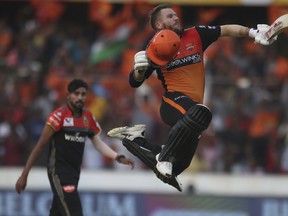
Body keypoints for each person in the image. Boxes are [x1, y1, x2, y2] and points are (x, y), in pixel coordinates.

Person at [107, 3, 277, 191]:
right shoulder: (156, 47)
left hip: (192, 114)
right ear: (159, 25)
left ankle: (134, 140)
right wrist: (138, 71)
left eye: (175, 15)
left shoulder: (195, 34)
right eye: (170, 16)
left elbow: (227, 29)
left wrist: (253, 33)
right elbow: (135, 82)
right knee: (198, 115)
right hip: (173, 104)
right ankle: (163, 157)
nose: (176, 17)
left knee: (177, 167)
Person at [15, 79, 134, 216]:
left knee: (58, 212)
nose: (80, 97)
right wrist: (24, 175)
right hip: (58, 173)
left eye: (83, 94)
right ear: (68, 95)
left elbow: (97, 142)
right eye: (76, 94)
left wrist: (118, 157)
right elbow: (40, 146)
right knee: (75, 212)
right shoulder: (58, 117)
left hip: (74, 174)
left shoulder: (87, 117)